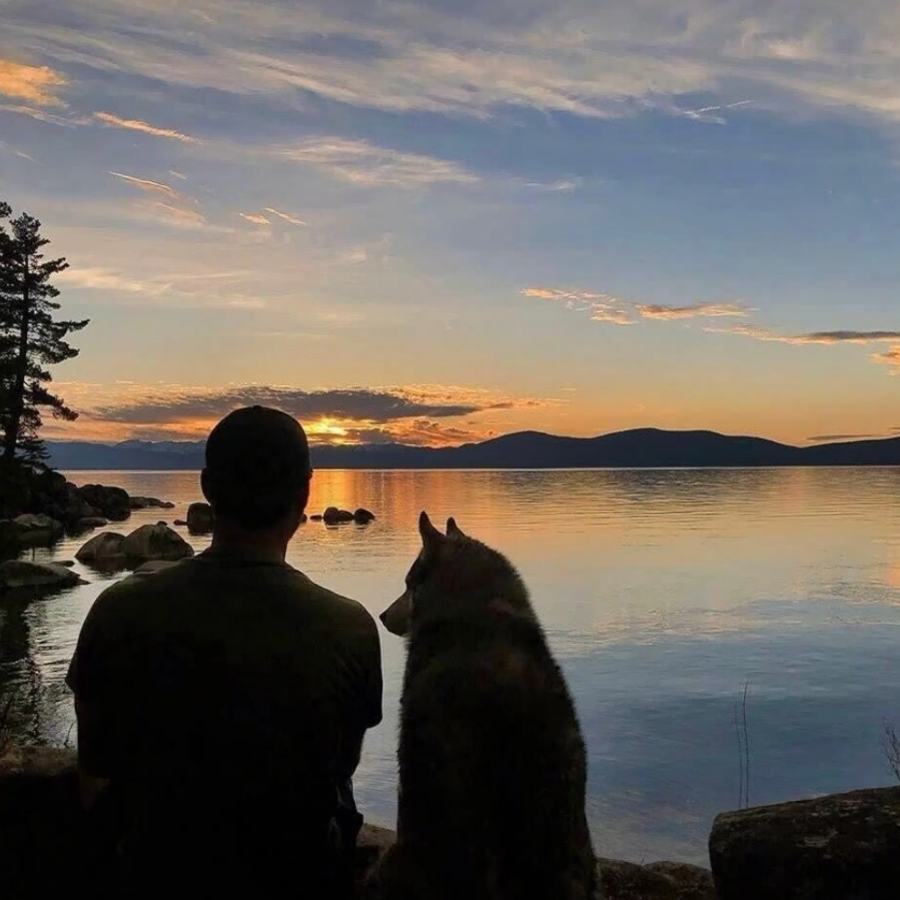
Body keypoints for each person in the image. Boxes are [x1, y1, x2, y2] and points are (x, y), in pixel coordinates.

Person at [66, 406, 383, 897]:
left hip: (153, 874)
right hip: (297, 877)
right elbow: (339, 767)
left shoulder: (117, 611)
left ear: (207, 488)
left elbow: (95, 772)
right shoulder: (348, 628)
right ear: (305, 493)